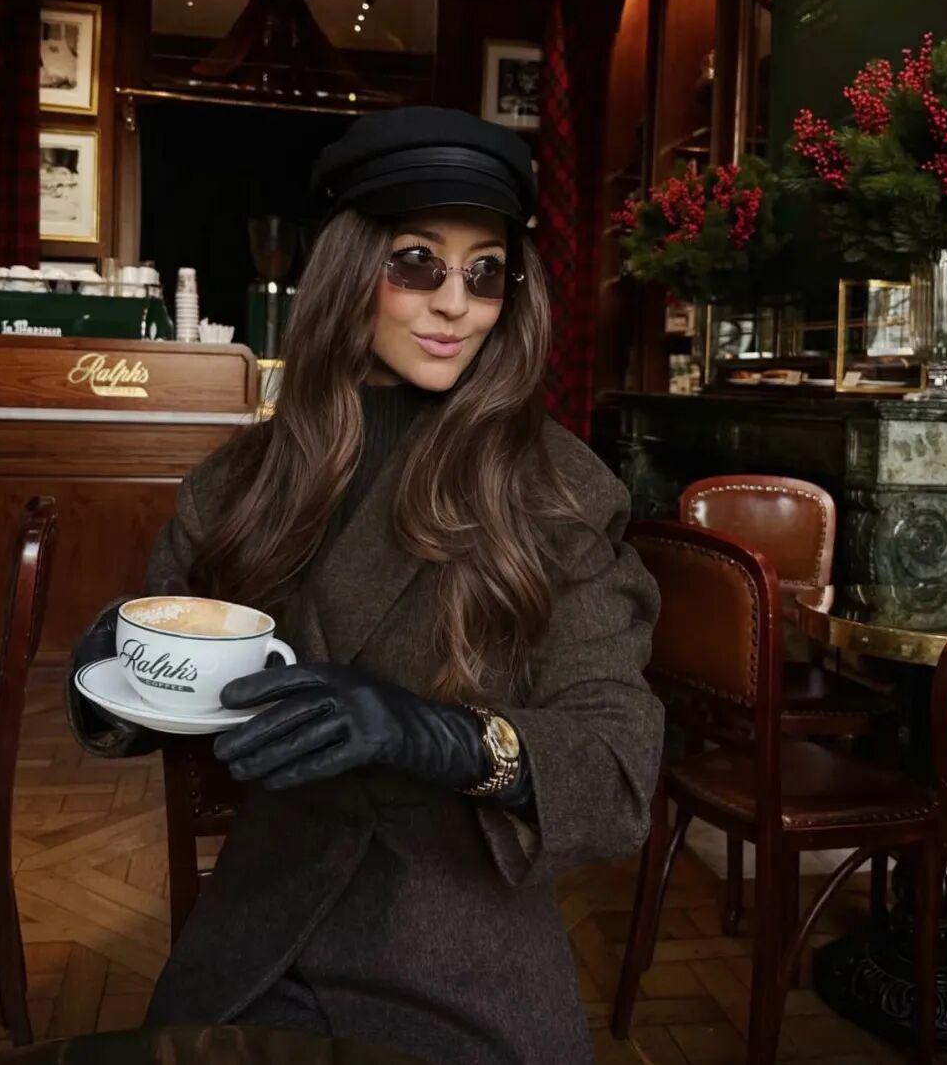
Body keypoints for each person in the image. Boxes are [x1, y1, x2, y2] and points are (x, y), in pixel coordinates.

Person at [66, 105, 663, 1065]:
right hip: (262, 928)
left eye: (485, 272)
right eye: (417, 262)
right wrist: (109, 671)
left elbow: (619, 765)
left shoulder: (558, 488)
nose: (456, 305)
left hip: (456, 942)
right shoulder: (245, 478)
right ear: (351, 270)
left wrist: (432, 735)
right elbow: (169, 639)